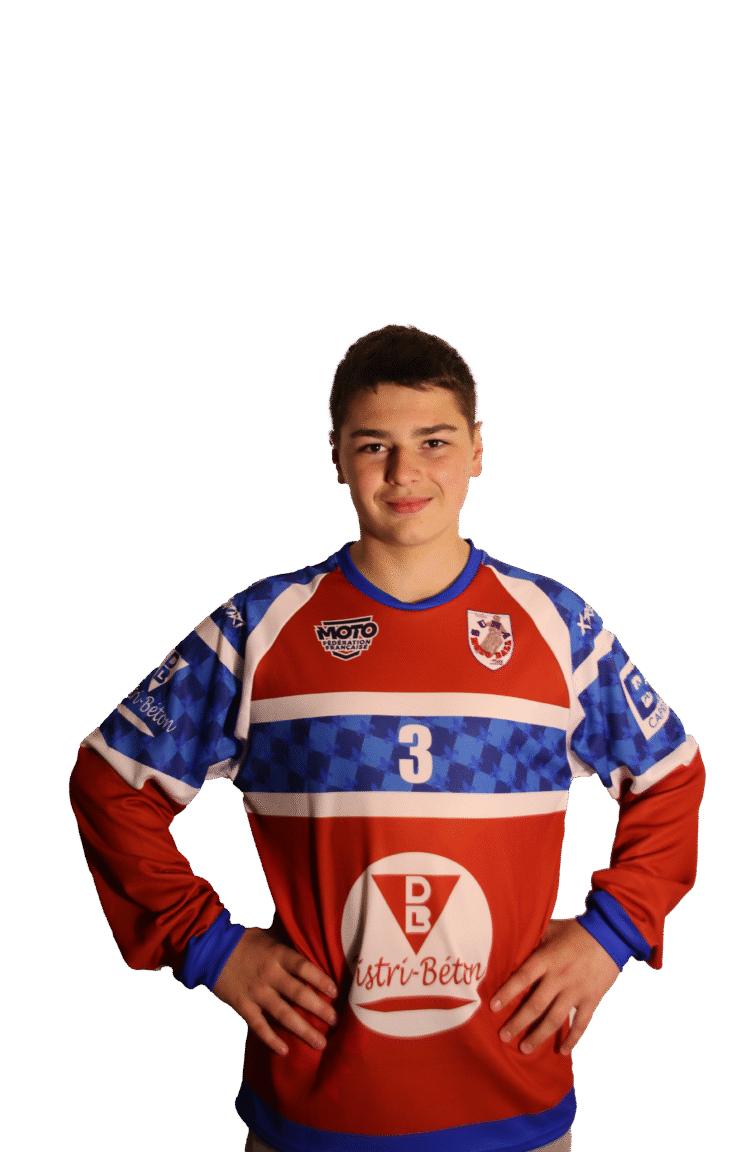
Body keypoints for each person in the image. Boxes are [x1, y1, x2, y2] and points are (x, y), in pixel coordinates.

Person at [70, 323, 705, 1152]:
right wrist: (210, 946)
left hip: (515, 1106)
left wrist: (610, 936)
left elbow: (672, 774)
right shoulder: (262, 628)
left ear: (478, 449)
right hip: (315, 1116)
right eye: (374, 446)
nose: (405, 472)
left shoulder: (556, 625)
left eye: (434, 442)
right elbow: (110, 781)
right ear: (336, 457)